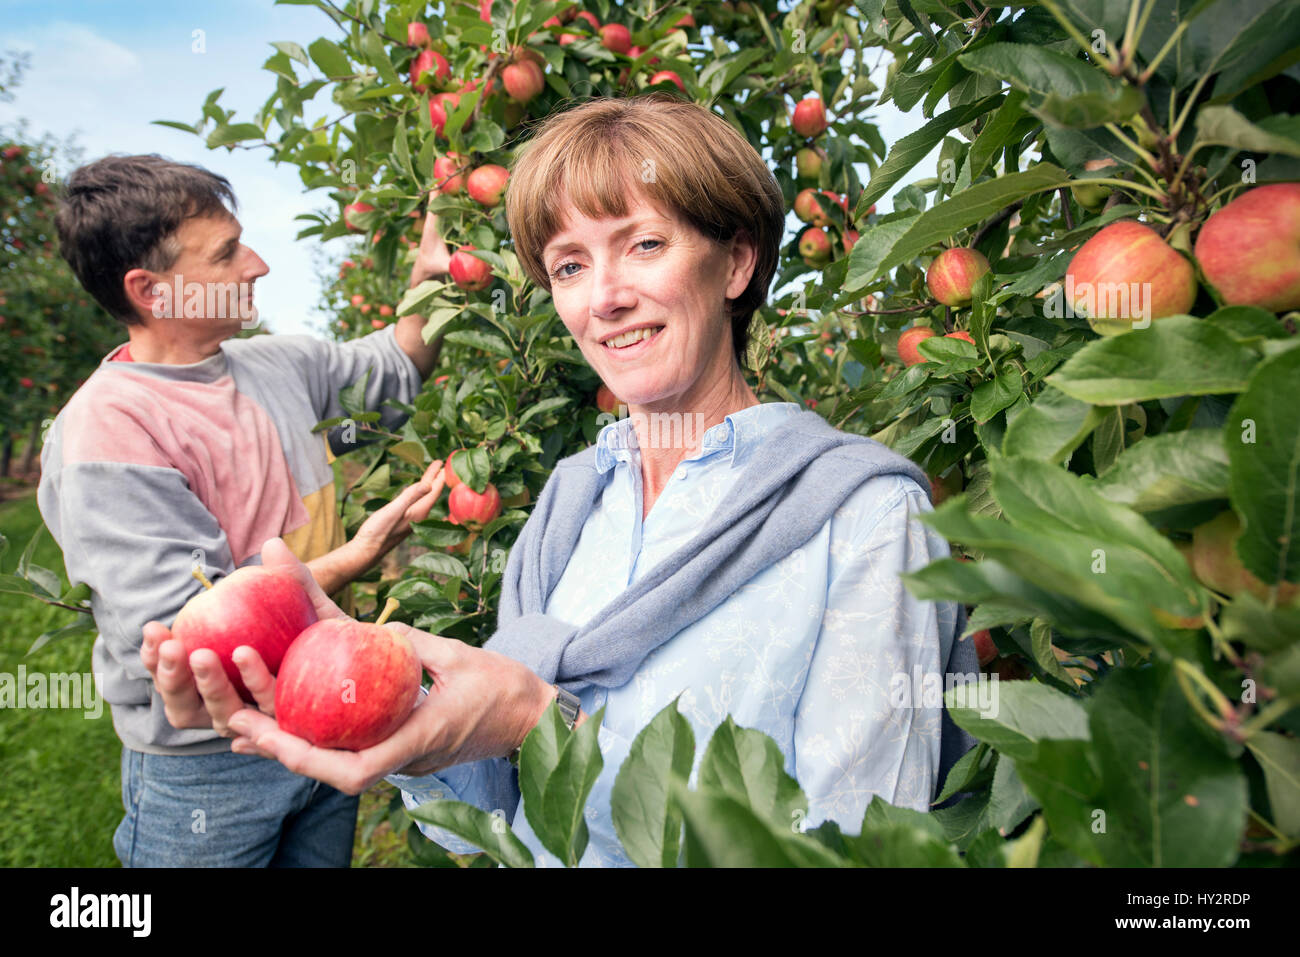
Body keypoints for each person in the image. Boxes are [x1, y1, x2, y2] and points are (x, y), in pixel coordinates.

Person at [144, 94, 978, 867]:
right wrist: (388, 703)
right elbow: (499, 819)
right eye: (570, 266)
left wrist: (543, 723)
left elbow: (861, 848)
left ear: (735, 264)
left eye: (645, 244)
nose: (605, 297)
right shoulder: (573, 502)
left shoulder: (867, 517)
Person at [38, 153, 455, 866]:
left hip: (325, 717)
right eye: (227, 253)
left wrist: (433, 269)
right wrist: (360, 554)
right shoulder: (108, 429)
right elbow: (193, 633)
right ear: (152, 290)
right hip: (211, 763)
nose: (257, 264)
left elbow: (398, 363)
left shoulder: (279, 365)